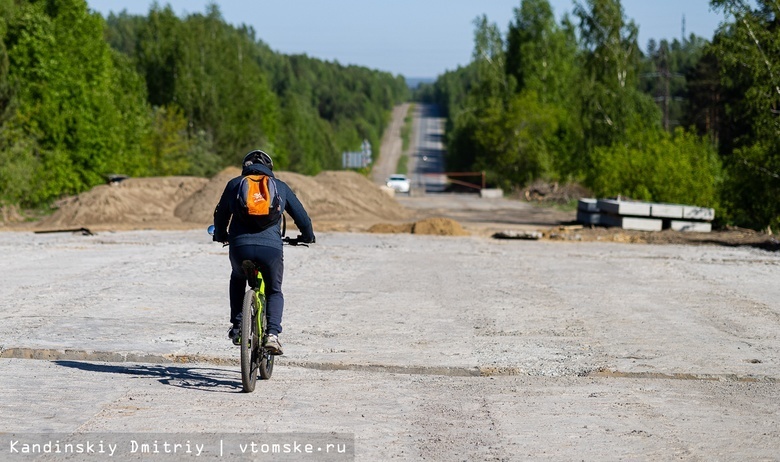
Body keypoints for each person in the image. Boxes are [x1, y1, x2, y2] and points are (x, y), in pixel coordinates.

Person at [212, 150, 315, 354]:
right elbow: (302, 217)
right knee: (274, 290)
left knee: (238, 278)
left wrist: (221, 234)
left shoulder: (234, 185)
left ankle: (238, 326)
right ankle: (272, 335)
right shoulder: (280, 187)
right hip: (271, 249)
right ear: (270, 168)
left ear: (245, 167)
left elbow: (220, 214)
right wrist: (307, 236)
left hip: (240, 247)